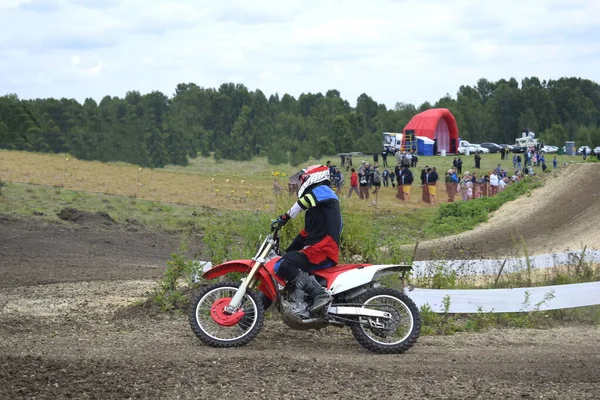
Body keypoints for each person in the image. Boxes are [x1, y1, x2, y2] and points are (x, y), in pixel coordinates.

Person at [270, 164, 342, 313]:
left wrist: (285, 217)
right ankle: (250, 315)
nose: (301, 182)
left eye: (303, 178)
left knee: (285, 265)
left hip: (324, 250)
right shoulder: (316, 210)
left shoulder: (325, 192)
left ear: (314, 177)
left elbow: (305, 201)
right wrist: (285, 252)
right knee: (281, 264)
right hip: (317, 250)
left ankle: (320, 295)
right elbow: (304, 235)